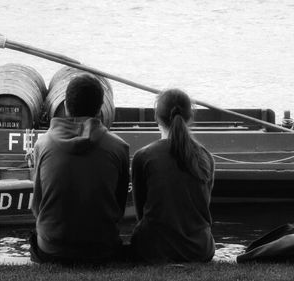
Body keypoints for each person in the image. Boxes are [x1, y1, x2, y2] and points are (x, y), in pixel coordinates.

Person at [30, 74, 130, 264]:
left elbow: (37, 207)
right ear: (101, 109)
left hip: (51, 250)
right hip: (103, 249)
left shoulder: (42, 144)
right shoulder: (119, 147)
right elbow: (118, 208)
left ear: (66, 106)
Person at [129, 88, 215, 263]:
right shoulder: (205, 156)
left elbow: (141, 212)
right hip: (199, 250)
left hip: (153, 250)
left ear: (157, 117)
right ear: (190, 117)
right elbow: (202, 206)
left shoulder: (143, 157)